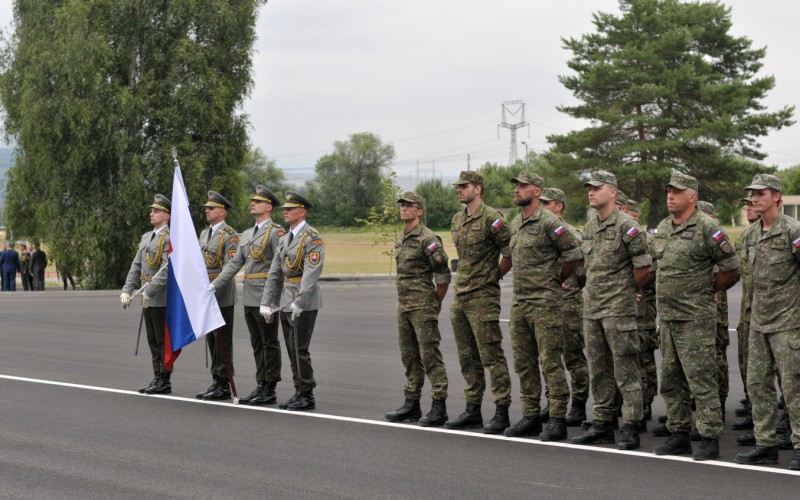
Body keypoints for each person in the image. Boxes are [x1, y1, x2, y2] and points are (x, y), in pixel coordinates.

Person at [651, 174, 739, 461]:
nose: (670, 196)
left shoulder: (707, 227)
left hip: (695, 319)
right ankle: (678, 434)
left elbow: (731, 267)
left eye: (676, 192)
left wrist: (709, 289)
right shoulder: (664, 227)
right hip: (667, 318)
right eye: (668, 191)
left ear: (692, 196)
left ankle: (710, 437)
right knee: (671, 379)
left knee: (701, 379)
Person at [571, 170, 651, 451]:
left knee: (626, 370)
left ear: (613, 192)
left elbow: (643, 266)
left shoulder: (627, 226)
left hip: (618, 310)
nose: (591, 192)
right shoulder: (590, 226)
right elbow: (586, 267)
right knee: (598, 369)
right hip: (592, 309)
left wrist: (630, 290)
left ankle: (630, 425)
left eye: (597, 188)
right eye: (589, 188)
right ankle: (603, 423)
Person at [503, 175, 581, 441]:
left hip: (545, 303)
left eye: (522, 186)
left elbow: (573, 255)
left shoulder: (550, 222)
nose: (517, 190)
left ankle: (557, 418)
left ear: (537, 191)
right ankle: (531, 416)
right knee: (524, 363)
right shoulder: (517, 222)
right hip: (520, 302)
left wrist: (555, 281)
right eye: (516, 186)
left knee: (550, 362)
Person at [735, 174, 800, 471]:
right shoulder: (749, 235)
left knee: (793, 387)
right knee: (757, 384)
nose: (754, 198)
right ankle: (766, 444)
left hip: (788, 323)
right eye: (752, 193)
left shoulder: (792, 231)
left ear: (776, 197)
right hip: (758, 323)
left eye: (760, 193)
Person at [445, 170, 513, 434]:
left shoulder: (492, 219)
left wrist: (495, 275)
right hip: (461, 294)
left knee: (491, 355)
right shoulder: (457, 219)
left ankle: (502, 410)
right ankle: (473, 410)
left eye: (465, 186)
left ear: (478, 189)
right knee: (467, 356)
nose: (459, 190)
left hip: (483, 296)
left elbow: (510, 252)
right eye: (458, 186)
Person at [211, 185, 285, 406]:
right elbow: (234, 264)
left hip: (266, 296)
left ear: (269, 207)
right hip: (250, 295)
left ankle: (270, 387)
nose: (253, 204)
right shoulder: (247, 234)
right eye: (253, 201)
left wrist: (272, 300)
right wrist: (214, 285)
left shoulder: (276, 232)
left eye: (258, 201)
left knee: (269, 342)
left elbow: (279, 267)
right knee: (257, 343)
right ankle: (261, 383)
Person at [385, 191, 451, 427]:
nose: (404, 208)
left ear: (419, 211)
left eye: (409, 205)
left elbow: (443, 275)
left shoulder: (428, 238)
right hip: (404, 306)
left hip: (423, 306)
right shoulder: (403, 237)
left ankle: (439, 405)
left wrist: (435, 302)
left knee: (430, 356)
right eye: (402, 205)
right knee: (409, 356)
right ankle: (412, 403)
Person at [260, 191, 324, 411]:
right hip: (287, 299)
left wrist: (300, 302)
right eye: (285, 209)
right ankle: (299, 390)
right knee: (291, 348)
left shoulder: (312, 237)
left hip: (302, 301)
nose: (285, 212)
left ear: (302, 212)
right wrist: (267, 301)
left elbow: (311, 273)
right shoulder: (285, 238)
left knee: (299, 348)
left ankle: (306, 394)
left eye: (290, 209)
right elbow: (274, 272)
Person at [540, 187, 590, 427]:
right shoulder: (540, 232)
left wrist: (571, 287)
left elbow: (583, 270)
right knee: (548, 358)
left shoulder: (571, 234)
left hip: (568, 303)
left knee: (573, 357)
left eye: (546, 203)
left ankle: (578, 405)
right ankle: (553, 402)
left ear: (559, 206)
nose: (541, 207)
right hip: (546, 303)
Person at [120, 194, 172, 394]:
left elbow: (166, 270)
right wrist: (127, 290)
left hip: (160, 296)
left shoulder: (169, 238)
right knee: (152, 338)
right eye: (151, 210)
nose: (152, 213)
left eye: (156, 211)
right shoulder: (146, 237)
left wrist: (148, 291)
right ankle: (157, 376)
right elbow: (136, 266)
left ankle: (165, 379)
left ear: (166, 216)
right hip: (146, 295)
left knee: (162, 339)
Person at [196, 191, 239, 401]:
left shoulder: (230, 235)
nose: (207, 211)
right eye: (206, 208)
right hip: (205, 292)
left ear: (222, 212)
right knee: (212, 339)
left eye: (211, 208)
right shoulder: (204, 234)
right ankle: (216, 379)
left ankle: (224, 382)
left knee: (222, 339)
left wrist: (214, 286)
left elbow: (230, 266)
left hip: (221, 293)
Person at [623, 199, 659, 422]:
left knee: (643, 357)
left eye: (623, 209)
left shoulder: (645, 239)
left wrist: (636, 286)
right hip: (622, 308)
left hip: (643, 309)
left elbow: (652, 271)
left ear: (634, 214)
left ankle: (645, 404)